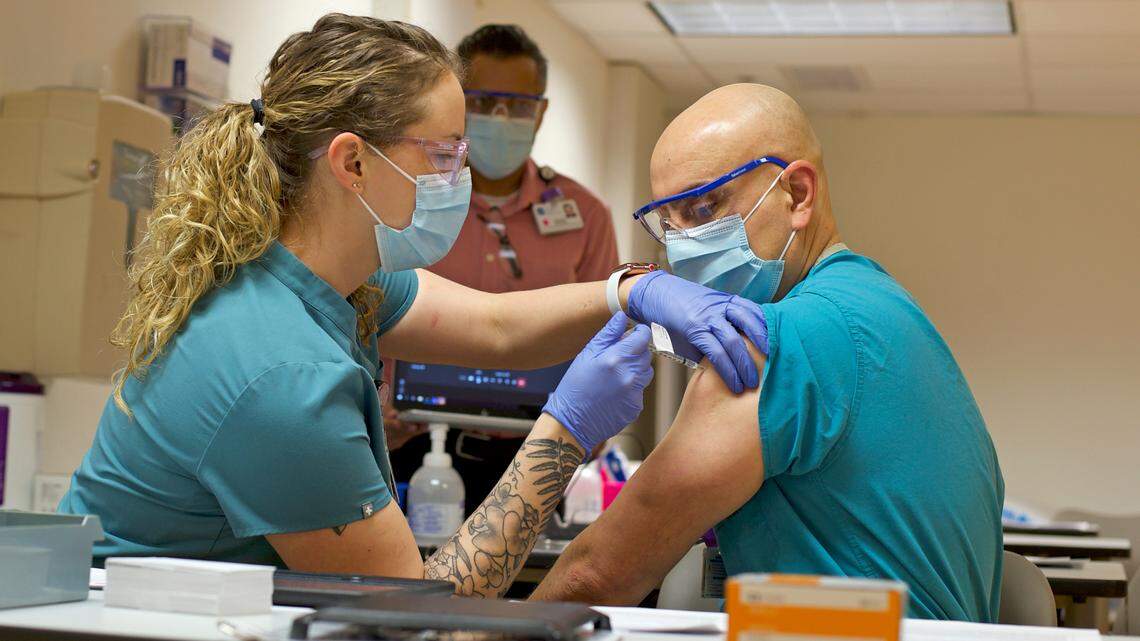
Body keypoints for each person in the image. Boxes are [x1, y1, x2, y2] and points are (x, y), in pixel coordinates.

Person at [56, 15, 768, 599]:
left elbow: (495, 325)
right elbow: (414, 616)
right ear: (352, 162)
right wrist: (566, 430)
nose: (464, 176)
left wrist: (632, 290)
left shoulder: (330, 278)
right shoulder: (280, 373)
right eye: (443, 156)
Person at [531, 84, 1005, 620]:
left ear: (798, 194)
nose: (682, 244)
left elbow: (596, 576)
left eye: (705, 206)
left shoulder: (771, 341)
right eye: (668, 222)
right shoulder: (885, 307)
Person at [386, 24, 619, 511]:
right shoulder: (414, 198)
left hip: (536, 454)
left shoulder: (585, 216)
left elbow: (607, 338)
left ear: (541, 112)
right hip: (412, 449)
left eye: (518, 104)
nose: (500, 116)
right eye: (484, 100)